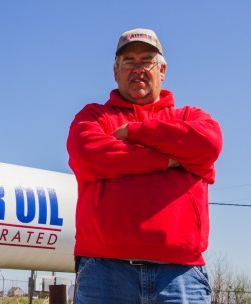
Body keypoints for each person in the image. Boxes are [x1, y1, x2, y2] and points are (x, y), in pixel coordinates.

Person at [67, 28, 223, 303]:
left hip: (181, 275)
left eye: (146, 60)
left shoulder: (190, 116)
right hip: (105, 272)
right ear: (115, 72)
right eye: (129, 61)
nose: (138, 68)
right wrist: (169, 158)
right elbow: (86, 154)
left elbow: (208, 145)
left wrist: (134, 132)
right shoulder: (95, 116)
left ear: (162, 70)